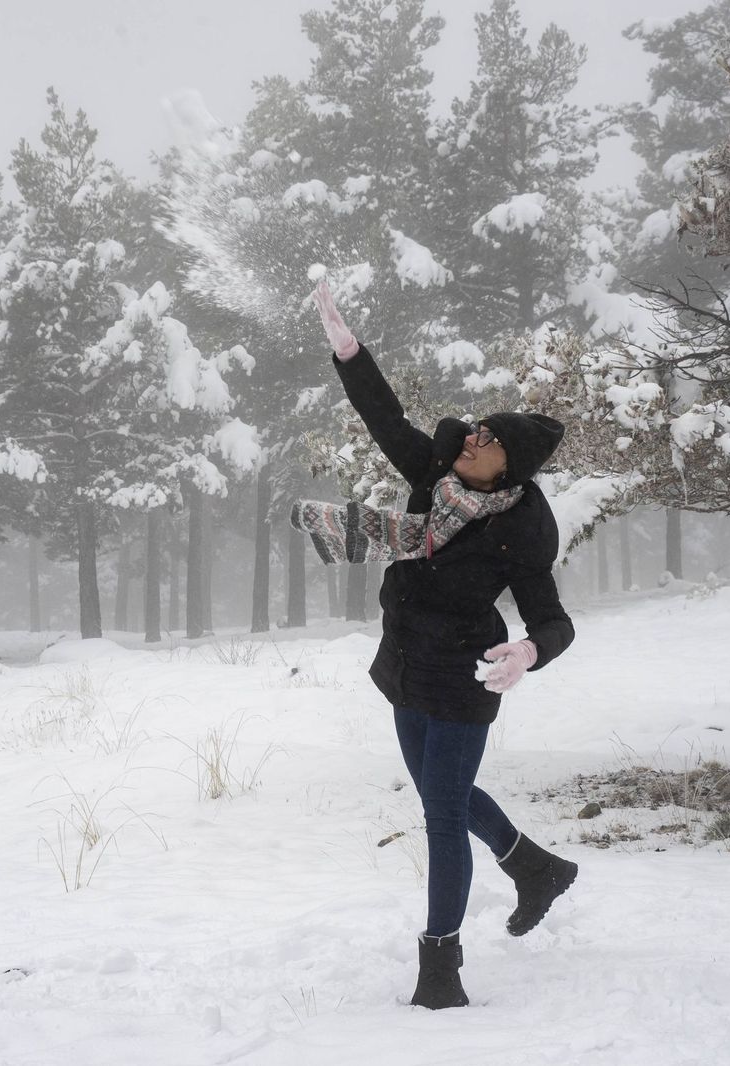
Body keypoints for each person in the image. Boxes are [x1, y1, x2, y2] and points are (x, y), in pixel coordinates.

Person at [291, 281, 579, 1011]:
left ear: (507, 468)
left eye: (487, 441)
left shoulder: (516, 531)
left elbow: (554, 619)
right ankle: (534, 867)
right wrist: (349, 351)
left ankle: (441, 967)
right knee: (439, 793)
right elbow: (383, 417)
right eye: (476, 431)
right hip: (405, 663)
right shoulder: (436, 478)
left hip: (462, 677)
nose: (471, 439)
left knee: (443, 815)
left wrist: (528, 653)